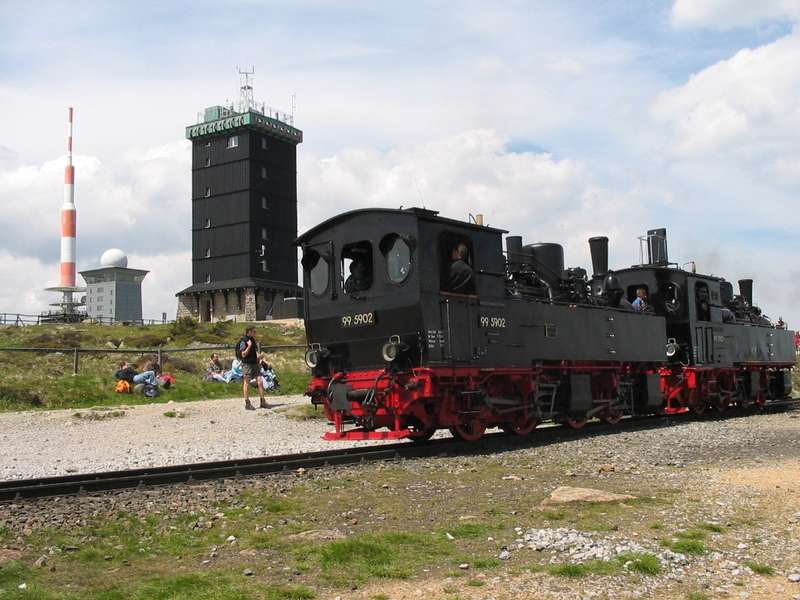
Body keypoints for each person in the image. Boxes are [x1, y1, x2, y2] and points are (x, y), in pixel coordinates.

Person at [237, 326, 266, 410]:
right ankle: (247, 403)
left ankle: (262, 401)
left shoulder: (253, 340)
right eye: (254, 331)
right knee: (247, 383)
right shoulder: (243, 341)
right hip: (247, 365)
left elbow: (255, 352)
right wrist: (249, 346)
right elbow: (243, 354)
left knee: (260, 381)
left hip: (255, 363)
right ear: (249, 332)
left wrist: (259, 356)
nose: (255, 333)